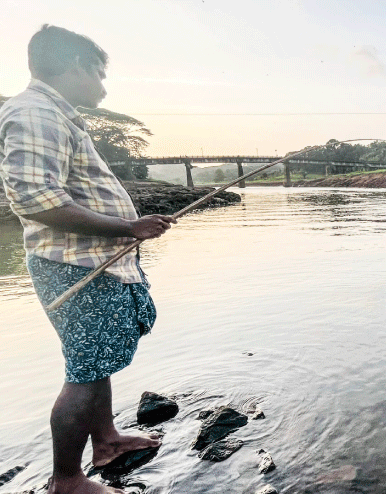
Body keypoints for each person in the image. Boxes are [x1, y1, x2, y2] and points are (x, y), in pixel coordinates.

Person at [0, 25, 176, 494]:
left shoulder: (55, 114)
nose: (102, 85)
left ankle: (107, 441)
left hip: (88, 264)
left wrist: (129, 229)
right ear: (75, 65)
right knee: (84, 370)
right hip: (75, 268)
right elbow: (36, 200)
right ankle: (68, 482)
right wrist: (128, 227)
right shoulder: (36, 112)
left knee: (94, 362)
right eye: (99, 73)